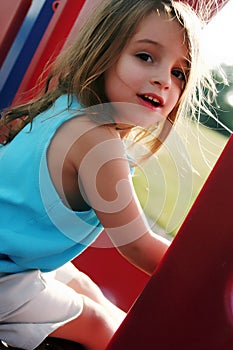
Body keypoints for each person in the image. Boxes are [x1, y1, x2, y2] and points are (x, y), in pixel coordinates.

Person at [0, 0, 216, 349]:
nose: (163, 79)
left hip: (13, 262)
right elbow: (138, 245)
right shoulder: (97, 143)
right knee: (100, 325)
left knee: (85, 286)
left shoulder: (67, 105)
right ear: (104, 51)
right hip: (5, 275)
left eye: (179, 72)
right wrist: (210, 283)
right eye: (146, 57)